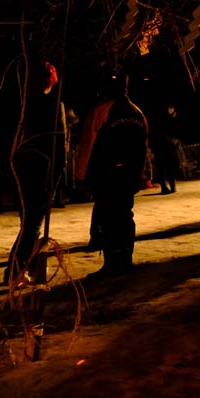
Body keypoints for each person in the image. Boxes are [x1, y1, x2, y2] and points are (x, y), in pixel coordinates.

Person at [7, 59, 65, 284]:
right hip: (41, 169)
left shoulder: (23, 105)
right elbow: (59, 144)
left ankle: (23, 266)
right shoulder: (53, 105)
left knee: (30, 223)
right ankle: (16, 269)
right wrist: (58, 176)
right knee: (32, 224)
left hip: (22, 167)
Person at [85, 74, 149, 276]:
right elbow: (143, 146)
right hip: (129, 174)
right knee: (124, 215)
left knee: (109, 217)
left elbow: (89, 144)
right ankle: (125, 258)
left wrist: (82, 176)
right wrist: (140, 174)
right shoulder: (138, 113)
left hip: (107, 174)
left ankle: (113, 261)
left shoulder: (102, 112)